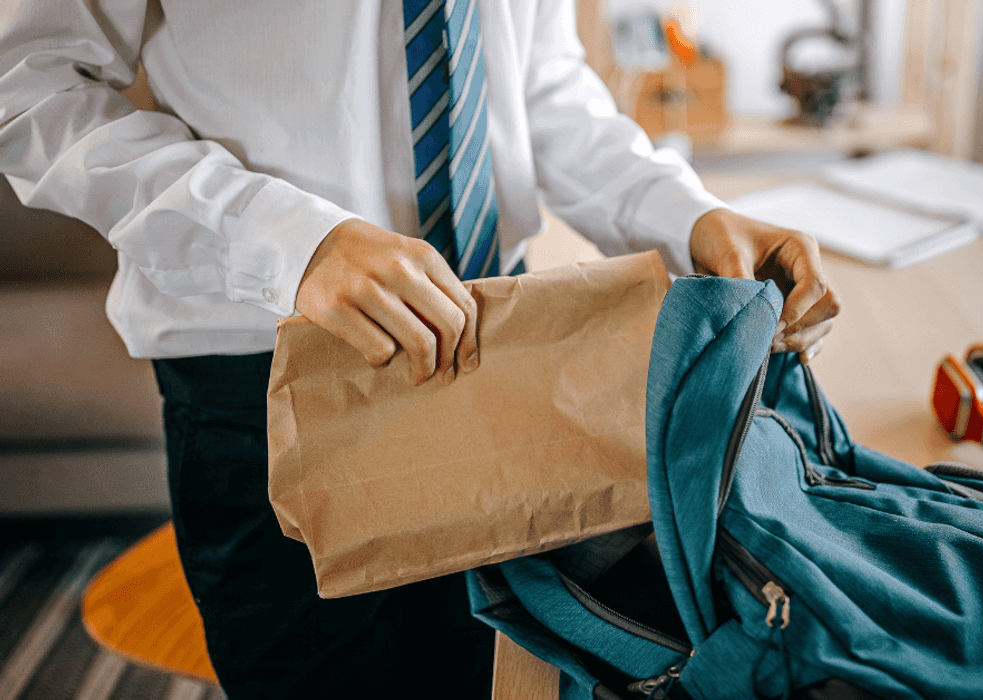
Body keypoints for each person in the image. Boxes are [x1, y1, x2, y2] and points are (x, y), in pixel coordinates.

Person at [0, 0, 838, 697]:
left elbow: (538, 86)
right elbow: (29, 87)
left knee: (500, 678)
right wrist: (292, 242)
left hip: (500, 344)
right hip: (273, 368)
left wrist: (681, 213)